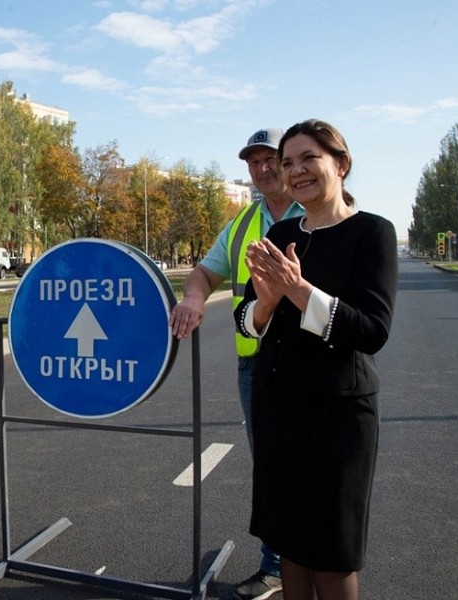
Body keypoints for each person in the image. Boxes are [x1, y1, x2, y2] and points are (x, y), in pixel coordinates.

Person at [234, 119, 397, 600]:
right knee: (290, 549)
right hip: (279, 408)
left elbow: (373, 331)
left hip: (338, 417)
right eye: (288, 163)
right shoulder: (281, 231)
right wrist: (264, 304)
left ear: (340, 164)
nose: (296, 170)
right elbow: (246, 321)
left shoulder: (372, 233)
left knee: (331, 554)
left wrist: (300, 291)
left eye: (309, 158)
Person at [170, 128, 303, 600]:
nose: (264, 169)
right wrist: (193, 298)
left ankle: (314, 568)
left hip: (314, 365)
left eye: (272, 159)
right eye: (255, 162)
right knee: (270, 467)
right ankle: (273, 568)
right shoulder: (243, 222)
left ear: (288, 162)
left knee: (315, 466)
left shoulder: (320, 211)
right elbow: (205, 272)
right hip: (257, 367)